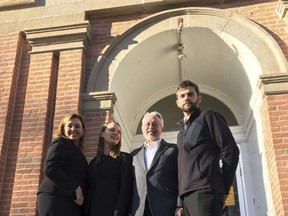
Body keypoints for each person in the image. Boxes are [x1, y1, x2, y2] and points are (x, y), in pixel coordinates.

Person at [175, 80, 240, 216]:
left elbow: (231, 151)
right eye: (182, 96)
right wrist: (180, 202)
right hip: (186, 198)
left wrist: (223, 188)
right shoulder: (180, 134)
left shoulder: (209, 117)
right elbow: (181, 169)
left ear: (198, 99)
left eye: (190, 94)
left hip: (206, 192)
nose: (186, 98)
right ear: (177, 103)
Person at [37, 113, 88, 216]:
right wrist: (75, 187)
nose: (73, 129)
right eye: (69, 126)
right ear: (63, 129)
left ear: (82, 131)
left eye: (77, 126)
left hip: (71, 202)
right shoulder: (60, 142)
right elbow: (50, 167)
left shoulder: (80, 154)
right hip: (56, 197)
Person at [131, 111, 180, 216]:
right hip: (139, 210)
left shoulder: (174, 150)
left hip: (166, 208)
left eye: (154, 124)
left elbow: (182, 178)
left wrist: (179, 205)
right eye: (147, 124)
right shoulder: (133, 155)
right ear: (142, 128)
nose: (150, 127)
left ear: (162, 128)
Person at [84, 121, 133, 216]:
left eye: (119, 132)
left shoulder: (124, 158)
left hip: (111, 211)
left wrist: (118, 213)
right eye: (112, 130)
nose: (116, 133)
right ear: (102, 134)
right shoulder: (93, 162)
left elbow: (125, 189)